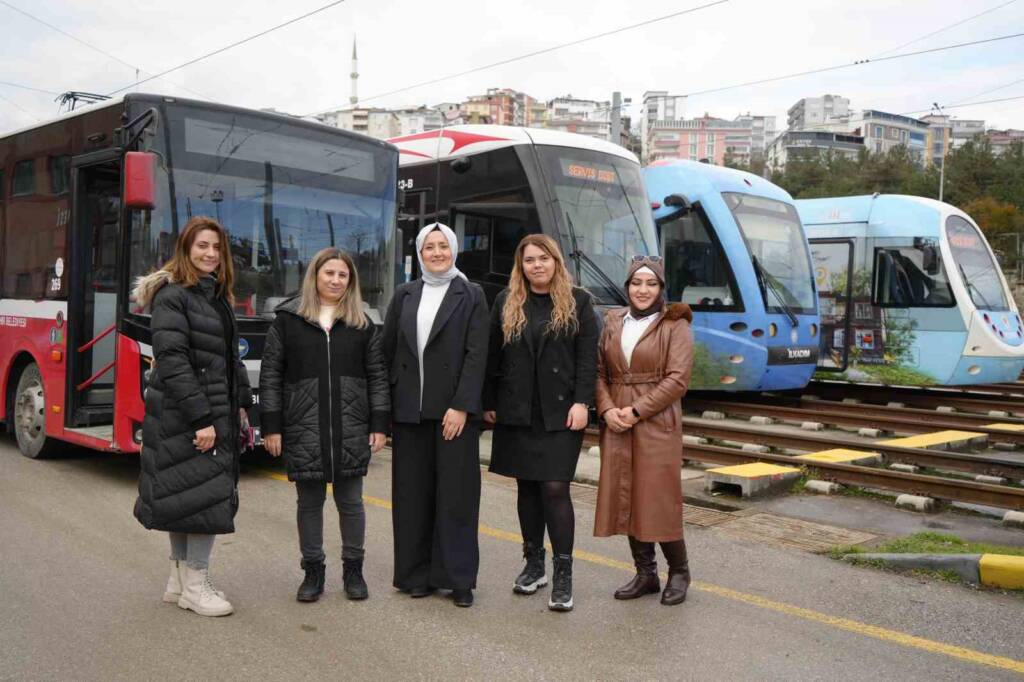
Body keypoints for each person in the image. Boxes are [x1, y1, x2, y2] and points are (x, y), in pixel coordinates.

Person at [133, 216, 253, 617]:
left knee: (185, 493)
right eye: (202, 246)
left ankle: (178, 580)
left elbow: (226, 359)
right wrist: (203, 418)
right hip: (190, 410)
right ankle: (196, 586)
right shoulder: (174, 296)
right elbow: (172, 359)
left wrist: (242, 404)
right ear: (186, 248)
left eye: (217, 248)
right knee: (205, 497)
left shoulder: (213, 294)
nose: (211, 254)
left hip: (203, 406)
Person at [259, 248, 389, 602]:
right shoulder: (288, 320)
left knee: (351, 502)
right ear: (314, 276)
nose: (335, 280)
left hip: (350, 425)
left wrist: (379, 423)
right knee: (309, 502)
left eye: (343, 275)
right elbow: (270, 376)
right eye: (329, 273)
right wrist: (271, 427)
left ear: (351, 281)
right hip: (303, 425)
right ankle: (313, 571)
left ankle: (353, 571)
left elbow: (378, 377)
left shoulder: (363, 324)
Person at [483, 234, 597, 612]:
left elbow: (586, 360)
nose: (537, 265)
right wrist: (488, 403)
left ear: (555, 261)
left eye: (543, 258)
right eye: (529, 260)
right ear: (522, 265)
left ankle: (563, 572)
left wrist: (583, 402)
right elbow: (492, 356)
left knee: (554, 488)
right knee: (527, 488)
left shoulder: (579, 301)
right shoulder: (506, 299)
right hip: (517, 411)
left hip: (561, 412)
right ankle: (534, 564)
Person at [381, 223, 489, 608]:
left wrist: (461, 405)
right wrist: (386, 410)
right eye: (430, 247)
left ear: (454, 251)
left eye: (444, 246)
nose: (438, 252)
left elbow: (478, 355)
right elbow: (387, 350)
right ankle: (415, 574)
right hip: (410, 413)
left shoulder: (471, 295)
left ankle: (458, 578)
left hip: (453, 414)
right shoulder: (405, 294)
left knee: (457, 498)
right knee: (412, 498)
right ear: (420, 252)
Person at [593, 256, 695, 606]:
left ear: (661, 288)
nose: (643, 290)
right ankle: (646, 573)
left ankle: (679, 571)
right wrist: (606, 409)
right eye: (636, 283)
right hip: (617, 418)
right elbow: (599, 373)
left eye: (651, 283)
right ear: (627, 287)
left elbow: (677, 379)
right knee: (627, 495)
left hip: (655, 421)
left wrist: (635, 411)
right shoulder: (612, 321)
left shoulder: (675, 324)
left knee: (658, 496)